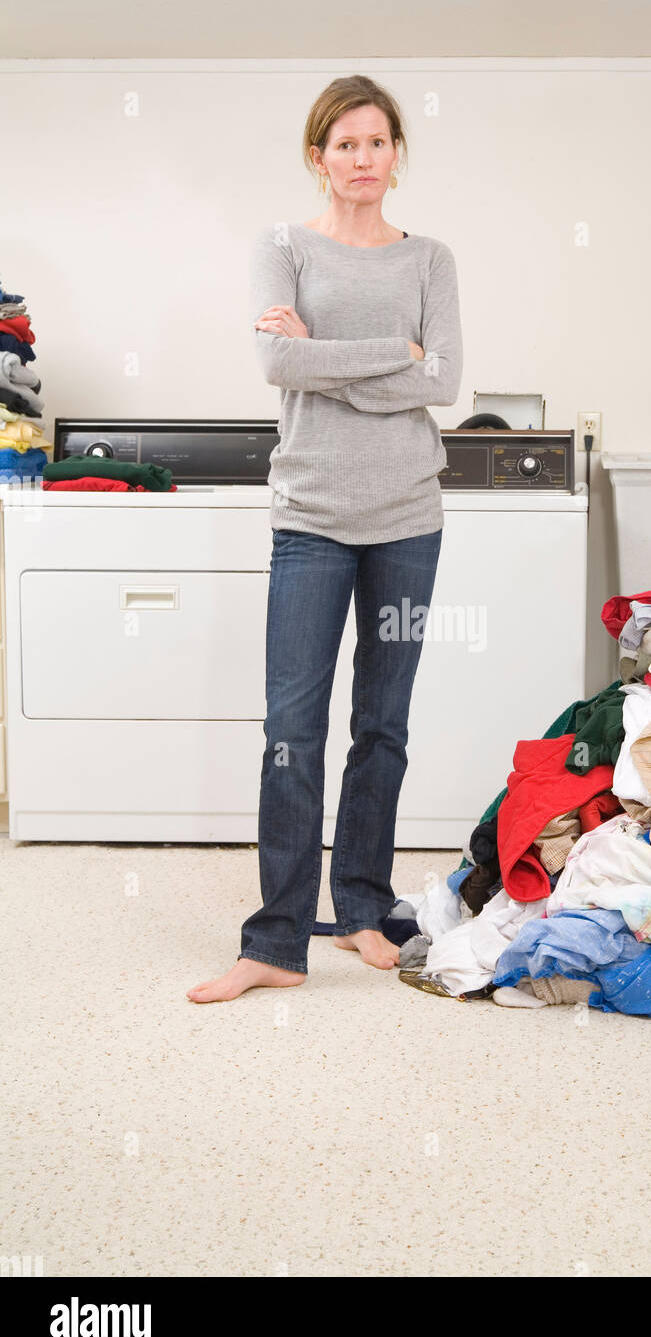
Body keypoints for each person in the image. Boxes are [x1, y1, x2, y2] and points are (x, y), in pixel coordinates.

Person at [188, 75, 463, 1002]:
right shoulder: (284, 247)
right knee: (291, 731)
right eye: (344, 144)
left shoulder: (430, 259)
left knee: (382, 728)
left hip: (406, 521)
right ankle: (273, 941)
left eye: (377, 143)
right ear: (318, 156)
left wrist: (330, 363)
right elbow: (277, 361)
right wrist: (398, 355)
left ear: (396, 155)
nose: (362, 159)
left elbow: (446, 384)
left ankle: (359, 910)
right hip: (309, 517)